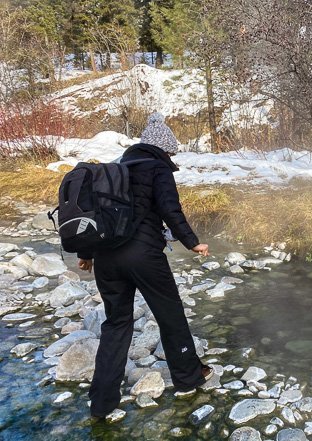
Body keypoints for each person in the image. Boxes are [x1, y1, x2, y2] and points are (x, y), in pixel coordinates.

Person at [78, 112, 213, 419]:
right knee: (170, 315)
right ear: (163, 149)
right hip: (143, 255)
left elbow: (93, 216)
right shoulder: (157, 168)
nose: (171, 157)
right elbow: (170, 209)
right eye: (171, 152)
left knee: (116, 324)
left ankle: (102, 402)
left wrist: (86, 254)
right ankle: (188, 379)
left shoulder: (113, 170)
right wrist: (192, 242)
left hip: (106, 257)